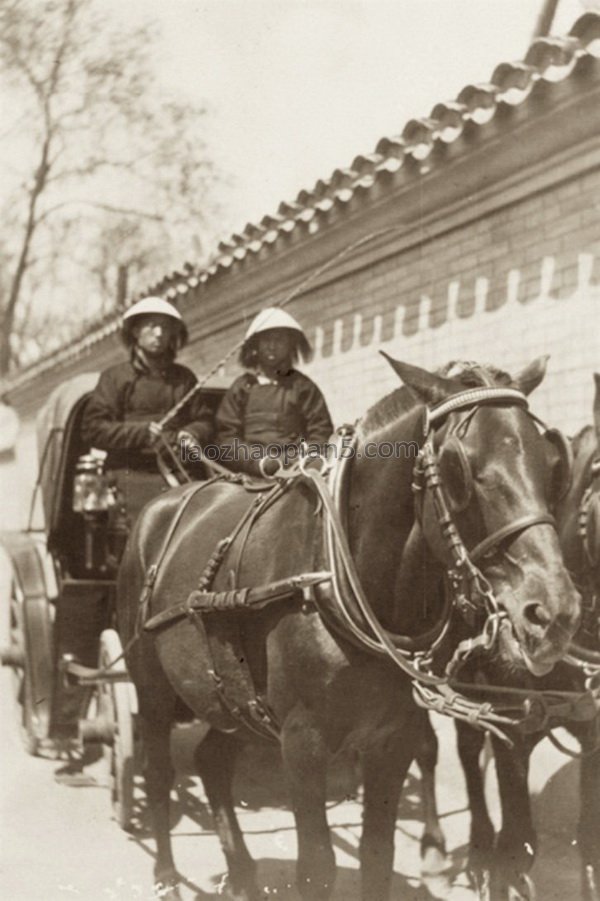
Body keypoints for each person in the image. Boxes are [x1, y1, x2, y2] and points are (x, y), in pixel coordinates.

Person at [81, 296, 214, 518]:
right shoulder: (114, 378)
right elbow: (93, 428)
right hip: (131, 475)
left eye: (165, 327)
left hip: (180, 470)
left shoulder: (184, 378)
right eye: (152, 325)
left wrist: (191, 433)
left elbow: (205, 420)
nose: (159, 333)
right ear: (135, 331)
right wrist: (141, 432)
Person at [216, 307, 333, 476]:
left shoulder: (302, 387)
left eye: (279, 340)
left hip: (294, 473)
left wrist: (301, 461)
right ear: (256, 345)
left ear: (289, 344)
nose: (272, 346)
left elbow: (321, 432)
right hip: (250, 476)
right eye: (266, 340)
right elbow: (226, 438)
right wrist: (259, 462)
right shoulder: (242, 388)